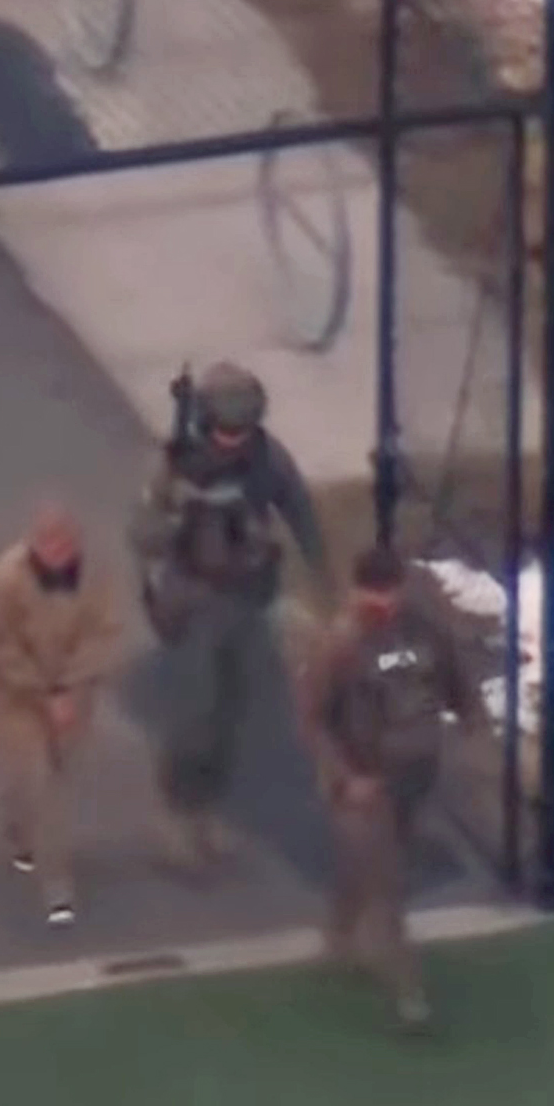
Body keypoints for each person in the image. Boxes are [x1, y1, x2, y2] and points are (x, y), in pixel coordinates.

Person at [126, 361, 331, 872]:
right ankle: (176, 812)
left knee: (230, 714)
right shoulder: (177, 467)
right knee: (196, 713)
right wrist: (178, 512)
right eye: (223, 431)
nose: (232, 442)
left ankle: (207, 809)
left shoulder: (268, 460)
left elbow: (300, 511)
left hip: (248, 595)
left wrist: (321, 573)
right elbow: (143, 536)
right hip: (196, 599)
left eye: (241, 432)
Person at [297, 545, 488, 1032]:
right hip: (365, 782)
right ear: (357, 589)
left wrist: (474, 728)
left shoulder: (425, 631)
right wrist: (345, 777)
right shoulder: (338, 645)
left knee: (369, 866)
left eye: (390, 590)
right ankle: (409, 994)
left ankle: (339, 936)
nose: (383, 602)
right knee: (387, 884)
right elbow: (313, 721)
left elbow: (460, 685)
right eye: (373, 592)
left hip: (416, 775)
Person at [0, 502, 121, 928]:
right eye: (48, 544)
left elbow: (104, 632)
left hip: (71, 692)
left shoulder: (94, 575)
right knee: (41, 782)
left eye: (65, 544)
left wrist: (71, 685)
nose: (58, 553)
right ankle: (57, 886)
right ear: (33, 543)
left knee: (58, 770)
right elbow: (0, 646)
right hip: (13, 695)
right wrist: (45, 691)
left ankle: (20, 827)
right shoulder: (7, 578)